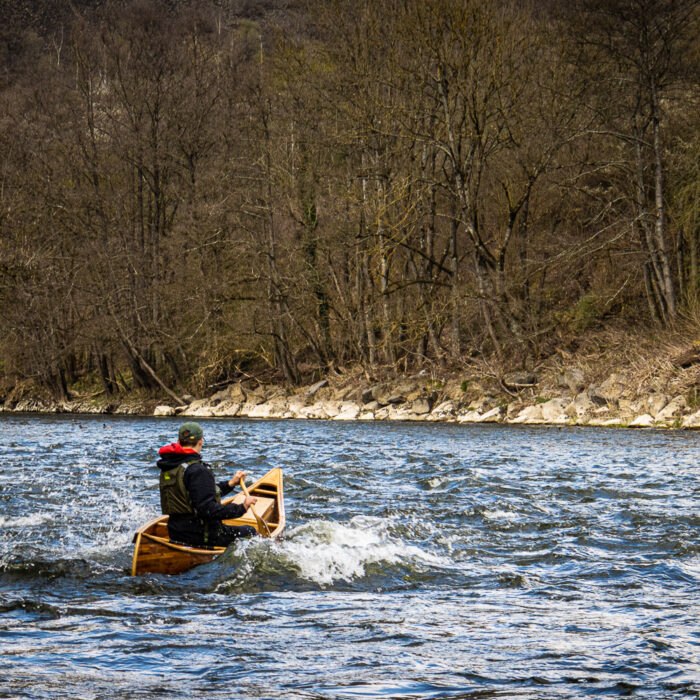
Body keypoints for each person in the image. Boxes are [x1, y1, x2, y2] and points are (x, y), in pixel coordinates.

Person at [158, 421, 257, 547]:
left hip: (175, 533)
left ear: (178, 441)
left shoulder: (170, 466)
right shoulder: (197, 470)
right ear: (201, 442)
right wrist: (242, 507)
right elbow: (209, 510)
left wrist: (231, 484)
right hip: (202, 536)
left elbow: (198, 494)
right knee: (251, 531)